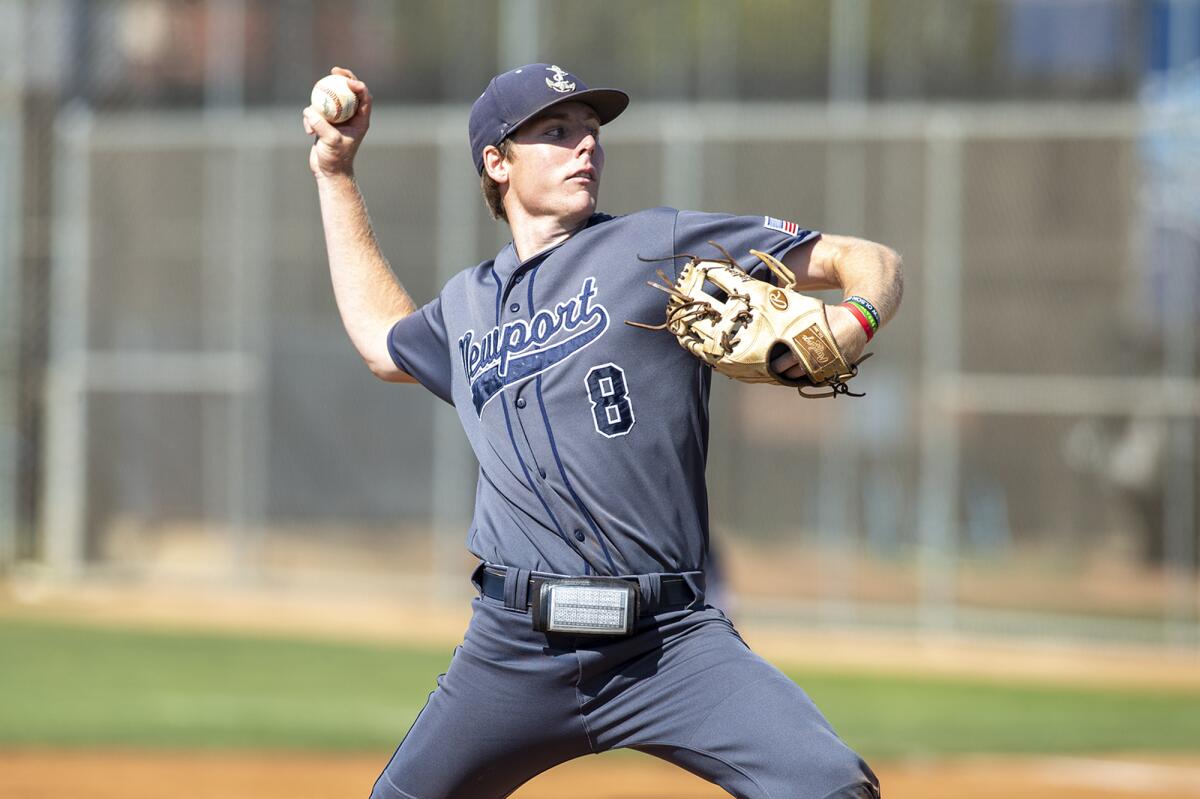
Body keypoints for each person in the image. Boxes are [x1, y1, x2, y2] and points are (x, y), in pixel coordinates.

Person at [303, 63, 901, 799]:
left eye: (591, 131)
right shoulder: (465, 304)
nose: (585, 146)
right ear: (497, 162)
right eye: (555, 132)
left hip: (669, 642)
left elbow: (866, 258)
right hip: (511, 648)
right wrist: (335, 170)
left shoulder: (658, 245)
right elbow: (379, 341)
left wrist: (856, 316)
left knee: (833, 787)